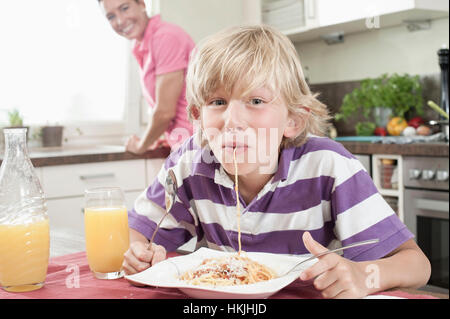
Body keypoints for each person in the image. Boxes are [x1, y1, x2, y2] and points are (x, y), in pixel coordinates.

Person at [122, 25, 431, 298]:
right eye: (217, 102)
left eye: (255, 101)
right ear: (198, 117)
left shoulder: (329, 167)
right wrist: (139, 254)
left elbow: (416, 265)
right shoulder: (190, 164)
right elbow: (138, 236)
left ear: (293, 120)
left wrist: (364, 275)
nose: (232, 120)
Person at [98, 0, 195, 153]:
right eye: (111, 16)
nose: (120, 21)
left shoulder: (165, 37)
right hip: (186, 144)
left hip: (197, 147)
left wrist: (140, 146)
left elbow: (164, 112)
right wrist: (170, 138)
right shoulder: (144, 45)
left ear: (142, 4)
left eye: (124, 8)